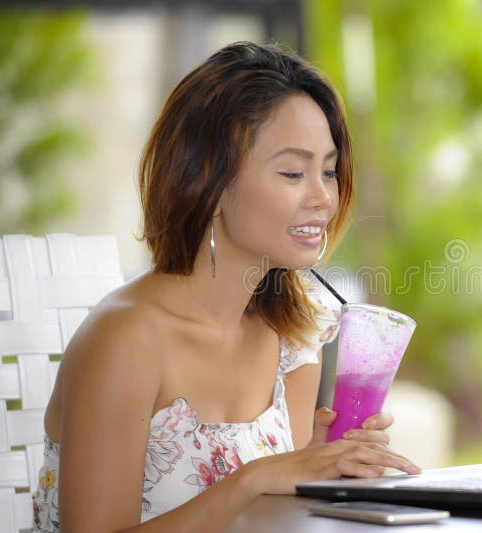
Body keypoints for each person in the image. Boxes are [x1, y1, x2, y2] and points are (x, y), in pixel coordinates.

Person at [32, 41, 421, 532]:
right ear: (208, 182)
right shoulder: (127, 339)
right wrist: (253, 480)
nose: (323, 196)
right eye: (293, 172)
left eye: (328, 170)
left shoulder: (294, 340)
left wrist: (319, 469)